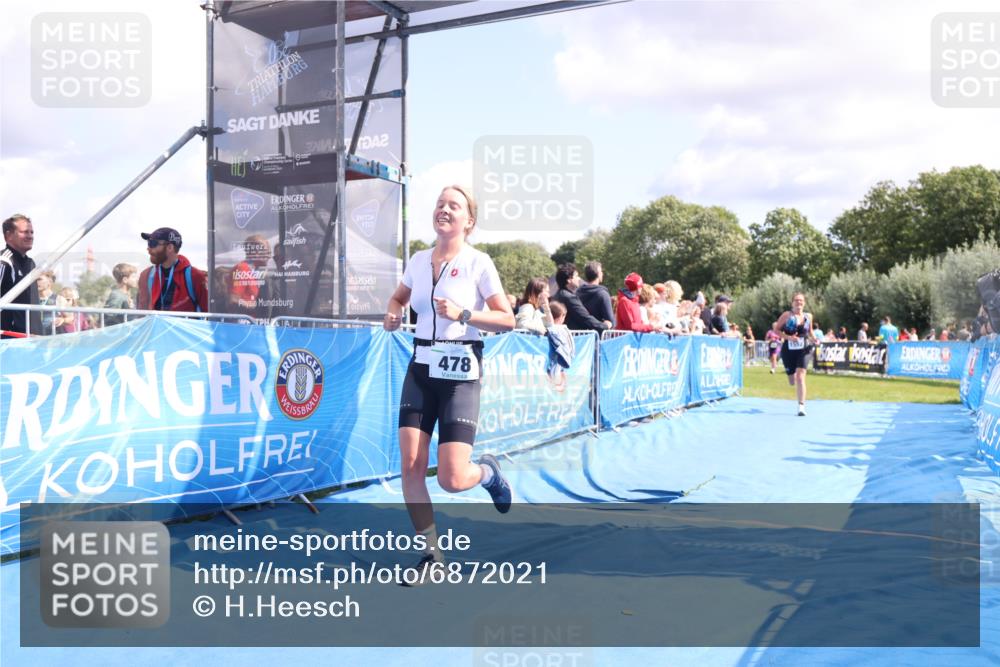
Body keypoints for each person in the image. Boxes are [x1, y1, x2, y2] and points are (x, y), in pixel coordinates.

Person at [382, 185, 515, 581]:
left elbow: (506, 318)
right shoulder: (419, 260)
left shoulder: (479, 263)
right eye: (439, 203)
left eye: (453, 205)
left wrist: (463, 314)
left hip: (460, 374)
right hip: (422, 367)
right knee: (410, 465)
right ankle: (431, 554)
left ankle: (489, 474)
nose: (443, 209)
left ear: (468, 221)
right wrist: (391, 315)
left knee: (452, 478)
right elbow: (398, 299)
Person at [137, 227, 208, 312]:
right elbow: (141, 313)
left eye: (152, 243)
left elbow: (207, 312)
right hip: (156, 325)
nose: (148, 249)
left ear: (170, 247)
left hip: (184, 325)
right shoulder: (146, 275)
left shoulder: (195, 276)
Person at [774, 292, 818, 417]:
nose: (799, 302)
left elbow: (810, 332)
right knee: (792, 380)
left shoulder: (808, 316)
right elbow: (776, 330)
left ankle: (801, 406)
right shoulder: (787, 315)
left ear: (804, 303)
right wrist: (788, 337)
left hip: (804, 349)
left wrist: (814, 339)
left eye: (801, 300)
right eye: (796, 300)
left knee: (800, 376)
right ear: (792, 302)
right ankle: (790, 374)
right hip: (788, 350)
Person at [0, 213, 39, 338]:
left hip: (31, 338)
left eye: (31, 232)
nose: (30, 236)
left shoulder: (30, 263)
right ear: (8, 235)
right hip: (9, 340)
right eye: (24, 232)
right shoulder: (4, 261)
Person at [551, 263, 609, 333]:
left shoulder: (557, 295)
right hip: (575, 339)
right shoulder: (569, 298)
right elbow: (585, 318)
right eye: (576, 276)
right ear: (569, 280)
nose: (578, 279)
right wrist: (604, 326)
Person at [575, 260, 614, 328]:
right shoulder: (603, 294)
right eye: (601, 272)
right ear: (598, 274)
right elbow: (610, 321)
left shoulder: (577, 293)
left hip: (580, 336)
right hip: (598, 336)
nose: (602, 274)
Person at [36, 269, 57, 334]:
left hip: (53, 340)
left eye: (39, 279)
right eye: (35, 280)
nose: (36, 282)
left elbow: (71, 318)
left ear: (49, 282)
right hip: (35, 338)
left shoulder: (59, 299)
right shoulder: (32, 299)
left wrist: (63, 320)